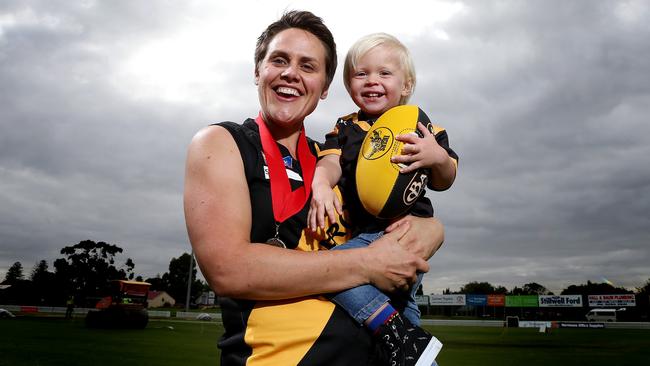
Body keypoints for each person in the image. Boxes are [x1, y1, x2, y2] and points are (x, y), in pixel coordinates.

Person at [184, 11, 445, 366]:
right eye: (279, 60)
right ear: (257, 71)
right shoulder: (223, 142)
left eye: (308, 66)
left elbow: (391, 214)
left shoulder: (337, 163)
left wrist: (431, 228)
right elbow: (228, 269)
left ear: (324, 88)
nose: (291, 72)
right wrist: (367, 262)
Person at [308, 32, 459, 361]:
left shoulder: (419, 126)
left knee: (326, 272)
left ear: (406, 85)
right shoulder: (344, 127)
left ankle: (391, 327)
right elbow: (330, 161)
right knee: (407, 320)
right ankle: (412, 344)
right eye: (361, 74)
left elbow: (445, 180)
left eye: (384, 73)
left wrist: (437, 157)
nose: (371, 81)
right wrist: (321, 185)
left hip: (406, 234)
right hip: (365, 236)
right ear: (350, 85)